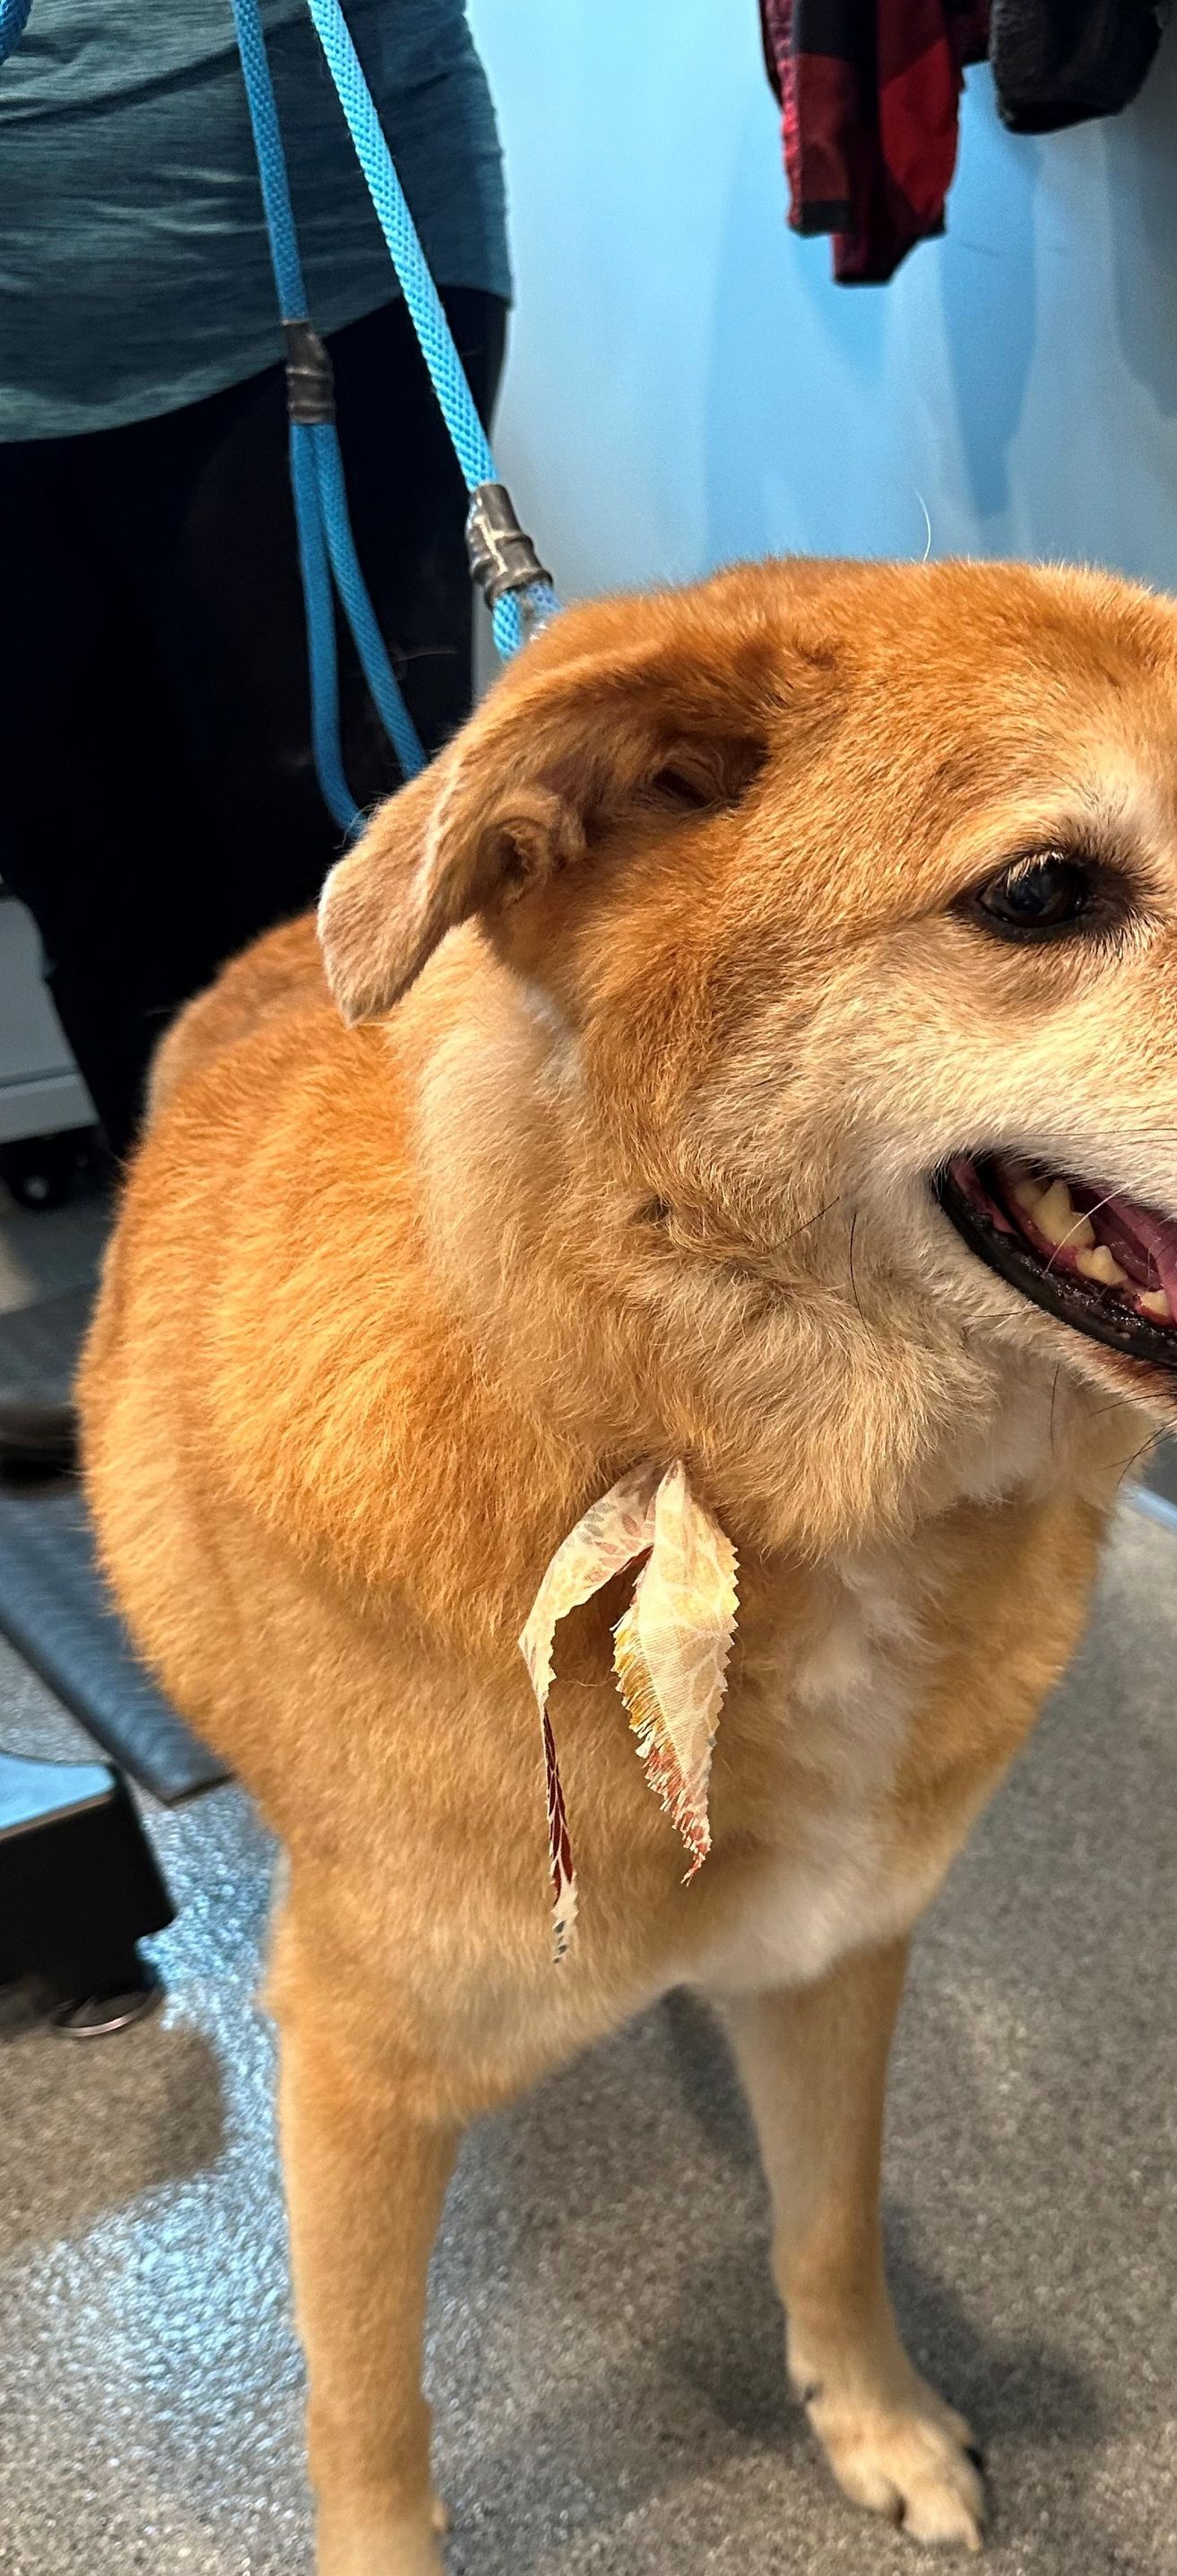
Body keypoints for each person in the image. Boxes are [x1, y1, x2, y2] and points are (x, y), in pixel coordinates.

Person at [0, 0, 513, 1472]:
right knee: (95, 897)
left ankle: (422, 1413)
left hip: (315, 283)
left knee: (338, 905)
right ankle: (197, 1393)